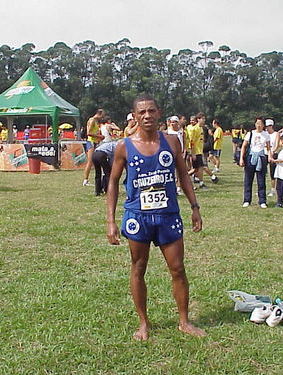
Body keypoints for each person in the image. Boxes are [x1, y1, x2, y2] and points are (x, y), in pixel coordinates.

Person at [106, 94, 206, 341]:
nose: (147, 116)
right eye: (142, 112)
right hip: (137, 217)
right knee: (138, 268)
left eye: (151, 111)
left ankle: (184, 321)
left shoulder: (172, 142)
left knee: (178, 268)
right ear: (135, 116)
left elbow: (183, 175)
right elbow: (113, 182)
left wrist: (195, 207)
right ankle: (143, 323)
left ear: (159, 113)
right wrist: (110, 220)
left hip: (168, 215)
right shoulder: (123, 146)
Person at [240, 116, 272, 208]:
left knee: (261, 180)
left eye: (261, 124)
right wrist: (241, 158)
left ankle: (262, 200)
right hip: (251, 157)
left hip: (261, 157)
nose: (259, 125)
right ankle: (247, 200)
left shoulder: (266, 135)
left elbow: (268, 148)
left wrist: (269, 156)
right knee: (248, 180)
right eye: (257, 123)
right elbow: (244, 146)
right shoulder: (250, 134)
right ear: (255, 124)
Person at [83, 109, 105, 186]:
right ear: (99, 114)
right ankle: (85, 180)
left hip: (95, 142)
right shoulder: (92, 120)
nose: (103, 117)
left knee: (96, 160)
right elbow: (88, 133)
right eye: (102, 115)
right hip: (91, 142)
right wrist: (99, 136)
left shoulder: (96, 121)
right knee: (90, 161)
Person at [265, 118, 280, 197]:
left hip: (273, 154)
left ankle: (273, 189)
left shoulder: (276, 134)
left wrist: (272, 152)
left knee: (272, 173)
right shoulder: (264, 134)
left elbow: (277, 145)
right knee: (262, 172)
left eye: (268, 126)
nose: (267, 128)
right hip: (265, 153)